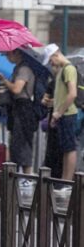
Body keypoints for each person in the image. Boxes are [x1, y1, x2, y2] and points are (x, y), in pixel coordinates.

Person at [0, 48, 36, 179]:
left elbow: (17, 89)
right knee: (16, 144)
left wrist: (4, 80)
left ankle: (27, 177)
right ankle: (19, 176)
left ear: (17, 53)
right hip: (17, 108)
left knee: (23, 143)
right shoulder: (17, 68)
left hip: (24, 108)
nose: (7, 57)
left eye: (8, 53)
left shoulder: (24, 69)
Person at [46, 45, 79, 186]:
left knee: (69, 148)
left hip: (67, 114)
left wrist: (59, 112)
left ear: (56, 54)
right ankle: (65, 179)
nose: (51, 63)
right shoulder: (62, 71)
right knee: (65, 148)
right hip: (62, 114)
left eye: (51, 60)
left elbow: (72, 94)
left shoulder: (69, 69)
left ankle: (67, 180)